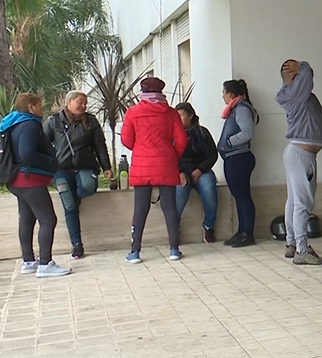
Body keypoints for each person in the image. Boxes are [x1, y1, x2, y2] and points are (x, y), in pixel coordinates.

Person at [0, 93, 71, 278]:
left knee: (27, 218)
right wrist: (48, 160)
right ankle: (45, 264)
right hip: (29, 180)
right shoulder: (29, 125)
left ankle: (29, 261)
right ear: (31, 107)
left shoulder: (13, 124)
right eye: (39, 105)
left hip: (17, 180)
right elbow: (27, 153)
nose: (42, 109)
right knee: (48, 219)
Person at [120, 77, 188, 264]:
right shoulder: (171, 113)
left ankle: (134, 252)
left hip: (142, 164)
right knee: (169, 206)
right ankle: (174, 249)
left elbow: (126, 140)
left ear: (142, 92)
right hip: (166, 163)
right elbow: (182, 140)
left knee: (140, 208)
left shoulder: (132, 112)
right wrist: (170, 155)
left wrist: (142, 148)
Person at [43, 90, 112, 259]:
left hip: (86, 167)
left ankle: (77, 197)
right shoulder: (53, 121)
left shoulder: (91, 121)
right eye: (79, 102)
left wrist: (106, 167)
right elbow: (44, 144)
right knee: (69, 207)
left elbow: (100, 146)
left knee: (87, 188)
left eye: (85, 103)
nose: (83, 105)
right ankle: (77, 245)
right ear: (69, 102)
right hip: (61, 170)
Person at [275, 59, 322, 265]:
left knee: (295, 201)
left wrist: (301, 68)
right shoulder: (296, 93)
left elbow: (307, 76)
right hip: (301, 154)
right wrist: (302, 65)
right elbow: (307, 75)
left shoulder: (295, 94)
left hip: (298, 153)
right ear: (294, 77)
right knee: (303, 204)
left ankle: (292, 244)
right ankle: (302, 250)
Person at [217, 79, 259, 248]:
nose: (222, 96)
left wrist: (229, 142)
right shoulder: (234, 109)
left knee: (243, 197)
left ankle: (247, 233)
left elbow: (248, 132)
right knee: (239, 197)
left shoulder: (241, 109)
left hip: (239, 158)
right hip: (233, 158)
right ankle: (241, 231)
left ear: (231, 94)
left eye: (224, 92)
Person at [174, 102, 219, 244]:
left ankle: (209, 226)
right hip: (181, 171)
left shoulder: (202, 132)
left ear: (191, 115)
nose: (179, 118)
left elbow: (213, 154)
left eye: (181, 115)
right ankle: (174, 226)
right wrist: (179, 172)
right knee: (180, 190)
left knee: (209, 188)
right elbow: (168, 156)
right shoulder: (172, 135)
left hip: (201, 170)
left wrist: (200, 169)